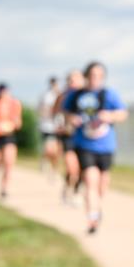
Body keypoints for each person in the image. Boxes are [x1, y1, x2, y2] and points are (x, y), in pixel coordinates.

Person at [62, 62, 127, 234]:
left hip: (106, 146)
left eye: (99, 76)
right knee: (91, 180)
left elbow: (123, 113)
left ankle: (96, 207)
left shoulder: (109, 95)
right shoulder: (76, 95)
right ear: (86, 76)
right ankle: (92, 218)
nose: (95, 79)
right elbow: (65, 112)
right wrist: (72, 119)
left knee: (102, 185)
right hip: (84, 145)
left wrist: (110, 116)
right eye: (92, 75)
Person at [55, 69, 86, 205]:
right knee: (71, 167)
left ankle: (76, 189)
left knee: (82, 168)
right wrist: (60, 125)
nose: (73, 82)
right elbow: (56, 114)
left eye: (76, 79)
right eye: (70, 79)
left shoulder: (88, 96)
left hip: (84, 137)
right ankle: (69, 187)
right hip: (68, 136)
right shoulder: (63, 97)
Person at [38, 77, 62, 177]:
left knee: (56, 151)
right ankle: (44, 159)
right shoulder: (46, 95)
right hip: (47, 126)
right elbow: (40, 109)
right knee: (49, 149)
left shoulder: (61, 95)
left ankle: (54, 170)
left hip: (58, 126)